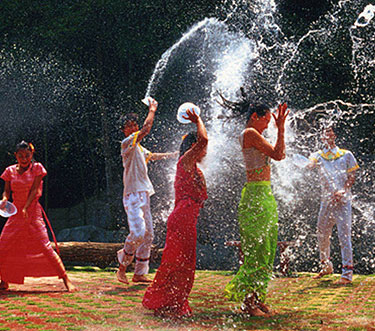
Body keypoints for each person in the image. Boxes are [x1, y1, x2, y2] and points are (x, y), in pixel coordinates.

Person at [220, 91, 288, 317]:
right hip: (256, 196)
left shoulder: (255, 133)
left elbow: (281, 154)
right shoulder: (250, 133)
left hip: (264, 193)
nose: (268, 125)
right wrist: (281, 129)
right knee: (257, 250)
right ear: (255, 117)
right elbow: (278, 155)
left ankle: (258, 298)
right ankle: (248, 302)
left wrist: (279, 130)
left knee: (267, 247)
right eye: (267, 120)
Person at [142, 108, 208, 317]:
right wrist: (198, 120)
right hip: (182, 218)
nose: (205, 151)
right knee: (176, 263)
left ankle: (174, 303)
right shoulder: (186, 162)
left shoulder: (194, 167)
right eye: (198, 148)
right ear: (192, 147)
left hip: (186, 219)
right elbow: (204, 141)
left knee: (184, 264)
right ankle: (165, 303)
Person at [0, 141, 75, 292]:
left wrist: (25, 207)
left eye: (27, 155)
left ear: (32, 154)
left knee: (45, 246)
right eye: (20, 156)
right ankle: (4, 281)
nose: (24, 159)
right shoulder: (9, 171)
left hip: (32, 211)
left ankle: (65, 279)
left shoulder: (37, 168)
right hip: (15, 213)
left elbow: (35, 191)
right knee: (2, 247)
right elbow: (6, 191)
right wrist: (5, 200)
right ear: (15, 156)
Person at [117, 98, 178, 284]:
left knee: (148, 234)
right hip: (132, 195)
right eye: (129, 125)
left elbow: (153, 156)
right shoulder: (127, 143)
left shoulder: (140, 148)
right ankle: (122, 267)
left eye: (134, 124)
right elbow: (146, 130)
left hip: (144, 193)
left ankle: (139, 272)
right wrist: (152, 109)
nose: (133, 127)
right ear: (124, 130)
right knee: (138, 233)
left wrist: (176, 154)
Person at [307, 127, 359, 284]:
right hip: (326, 200)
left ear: (335, 135)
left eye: (330, 132)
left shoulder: (346, 154)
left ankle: (347, 274)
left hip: (342, 200)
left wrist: (343, 190)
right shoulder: (317, 155)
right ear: (321, 137)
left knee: (344, 235)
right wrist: (307, 165)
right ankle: (326, 266)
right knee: (322, 233)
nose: (327, 135)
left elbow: (352, 177)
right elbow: (308, 165)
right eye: (324, 132)